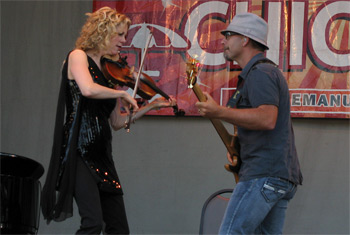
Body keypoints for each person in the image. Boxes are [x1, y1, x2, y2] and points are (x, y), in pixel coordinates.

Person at [41, 7, 176, 234]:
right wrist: (122, 93)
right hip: (79, 151)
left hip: (102, 155)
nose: (124, 41)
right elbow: (87, 89)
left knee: (119, 229)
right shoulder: (78, 57)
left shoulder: (110, 71)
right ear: (103, 31)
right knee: (93, 223)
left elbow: (116, 121)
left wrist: (152, 105)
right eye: (120, 34)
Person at [195, 13, 303, 234]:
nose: (223, 41)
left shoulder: (261, 73)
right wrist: (238, 147)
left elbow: (266, 118)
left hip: (264, 174)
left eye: (228, 35)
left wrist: (219, 111)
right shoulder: (261, 73)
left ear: (244, 40)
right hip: (276, 175)